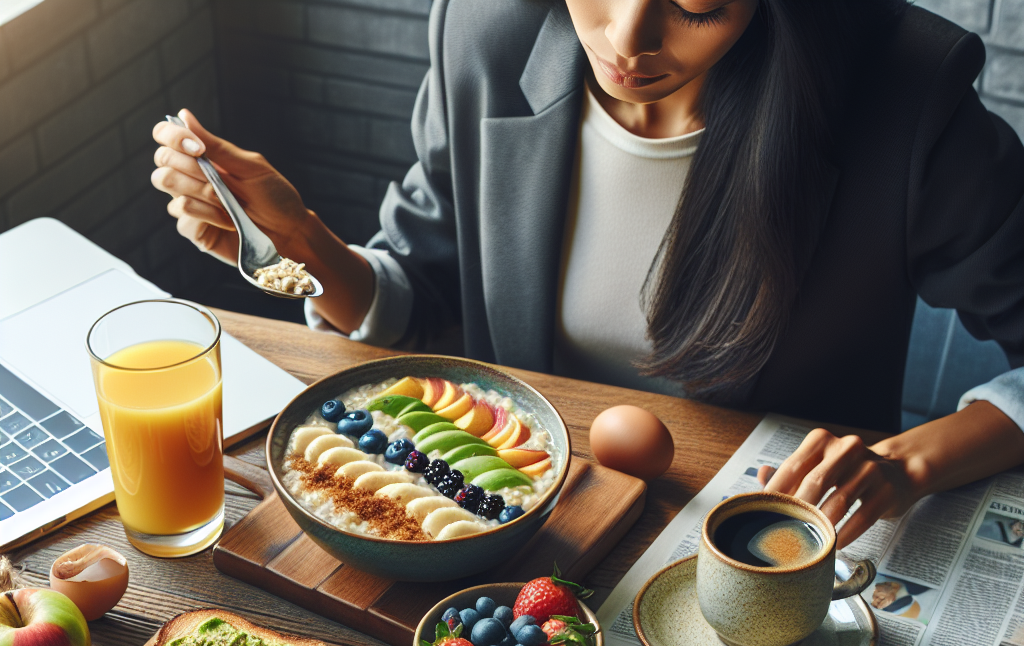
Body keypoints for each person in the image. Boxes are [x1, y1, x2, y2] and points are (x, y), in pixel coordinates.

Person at [150, 0, 1024, 546]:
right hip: (514, 529)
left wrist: (910, 464)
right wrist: (308, 245)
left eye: (696, 3)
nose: (626, 37)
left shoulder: (906, 96)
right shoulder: (487, 29)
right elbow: (430, 293)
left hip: (760, 549)